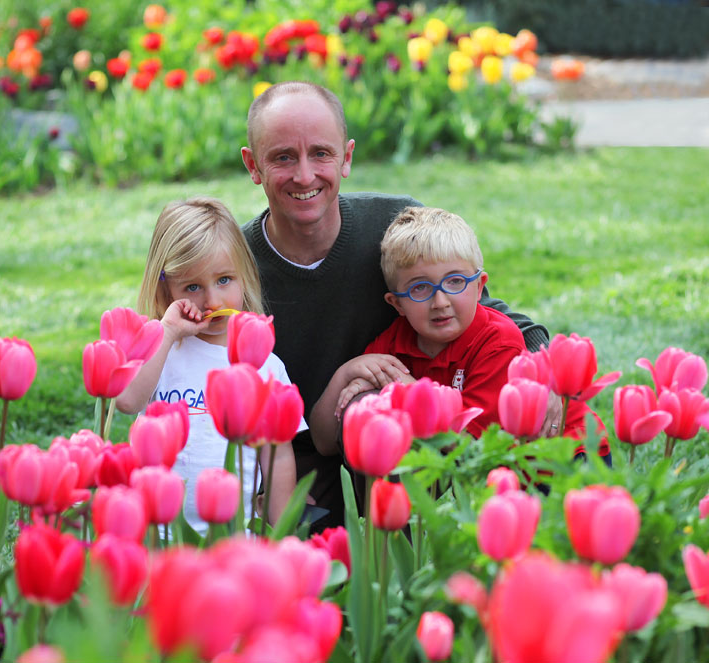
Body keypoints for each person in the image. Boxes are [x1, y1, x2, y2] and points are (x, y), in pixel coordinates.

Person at [239, 81, 556, 530]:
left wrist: (546, 365)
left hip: (397, 452)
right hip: (292, 460)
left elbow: (488, 313)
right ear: (253, 165)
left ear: (347, 157)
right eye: (283, 157)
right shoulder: (234, 262)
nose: (305, 175)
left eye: (322, 154)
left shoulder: (391, 229)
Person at [116, 196, 301, 533]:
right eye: (192, 287)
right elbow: (126, 400)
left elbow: (278, 455)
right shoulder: (163, 351)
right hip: (161, 535)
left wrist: (280, 529)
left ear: (245, 275)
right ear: (166, 289)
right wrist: (168, 332)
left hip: (234, 537)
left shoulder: (263, 364)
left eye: (224, 280)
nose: (213, 301)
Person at [311, 206, 544, 449]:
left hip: (553, 469)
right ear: (397, 303)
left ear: (479, 286)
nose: (440, 302)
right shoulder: (392, 345)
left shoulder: (498, 342)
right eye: (419, 288)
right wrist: (345, 374)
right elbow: (324, 442)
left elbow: (471, 449)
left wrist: (407, 389)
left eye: (455, 281)